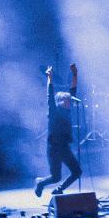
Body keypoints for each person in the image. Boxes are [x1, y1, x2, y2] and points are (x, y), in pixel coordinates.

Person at [34, 63, 82, 198]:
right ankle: (40, 182)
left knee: (77, 172)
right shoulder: (54, 111)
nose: (69, 101)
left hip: (64, 147)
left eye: (69, 100)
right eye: (66, 99)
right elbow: (50, 96)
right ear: (60, 101)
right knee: (55, 177)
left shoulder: (67, 111)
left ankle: (59, 189)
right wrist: (49, 77)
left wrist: (74, 74)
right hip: (53, 148)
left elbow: (73, 90)